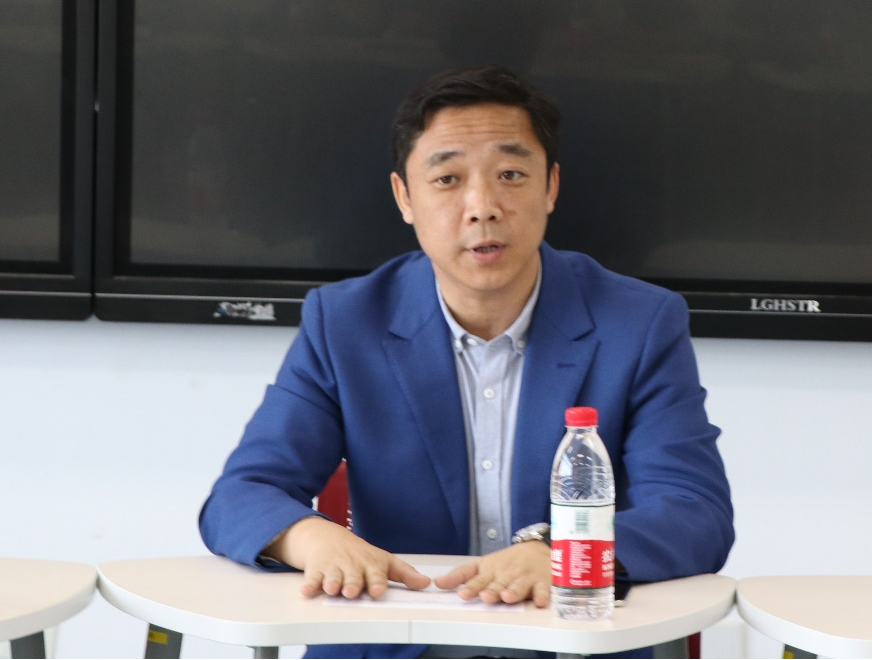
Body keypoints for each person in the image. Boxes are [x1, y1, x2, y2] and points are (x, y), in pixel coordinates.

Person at [199, 64, 735, 659]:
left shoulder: (638, 323)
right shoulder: (345, 322)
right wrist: (311, 539)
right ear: (405, 197)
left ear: (551, 187)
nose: (482, 206)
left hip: (573, 640)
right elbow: (241, 495)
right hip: (397, 643)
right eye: (448, 179)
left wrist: (561, 555)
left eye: (511, 175)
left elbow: (695, 513)